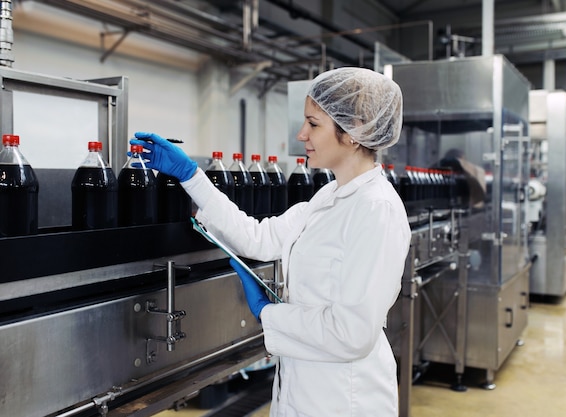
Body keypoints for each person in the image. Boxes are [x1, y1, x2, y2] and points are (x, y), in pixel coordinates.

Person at [130, 67, 411, 416]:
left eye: (313, 123)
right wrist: (191, 176)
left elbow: (352, 333)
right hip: (304, 385)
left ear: (353, 131)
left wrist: (269, 313)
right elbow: (259, 238)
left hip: (344, 397)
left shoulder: (375, 209)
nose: (301, 134)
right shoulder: (330, 196)